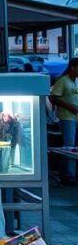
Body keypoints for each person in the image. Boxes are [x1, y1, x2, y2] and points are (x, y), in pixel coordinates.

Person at [50, 57, 78, 185]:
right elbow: (53, 98)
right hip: (67, 117)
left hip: (75, 117)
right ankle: (67, 175)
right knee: (69, 145)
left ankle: (71, 173)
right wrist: (68, 106)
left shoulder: (75, 81)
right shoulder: (63, 81)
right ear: (73, 67)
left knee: (73, 146)